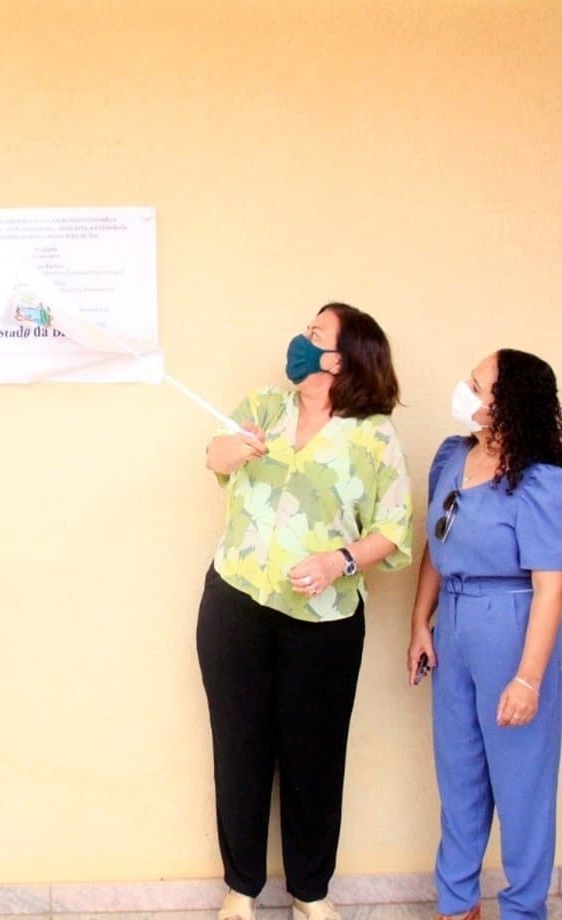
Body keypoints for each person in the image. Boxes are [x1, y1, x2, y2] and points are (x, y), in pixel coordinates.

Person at [197, 303, 413, 920]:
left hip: (326, 625)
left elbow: (392, 531)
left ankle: (311, 894)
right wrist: (232, 453)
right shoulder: (265, 405)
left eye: (315, 333)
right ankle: (240, 888)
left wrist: (338, 561)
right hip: (236, 604)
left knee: (314, 757)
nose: (300, 339)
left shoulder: (374, 435)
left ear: (340, 359)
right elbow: (213, 455)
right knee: (238, 749)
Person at [407, 350, 562, 920]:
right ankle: (457, 904)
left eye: (476, 384)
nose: (463, 389)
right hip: (453, 624)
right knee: (460, 776)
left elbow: (552, 588)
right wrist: (420, 623)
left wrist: (528, 678)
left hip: (514, 626)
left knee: (521, 785)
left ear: (508, 404)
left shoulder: (541, 482)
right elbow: (436, 543)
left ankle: (523, 910)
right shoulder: (453, 457)